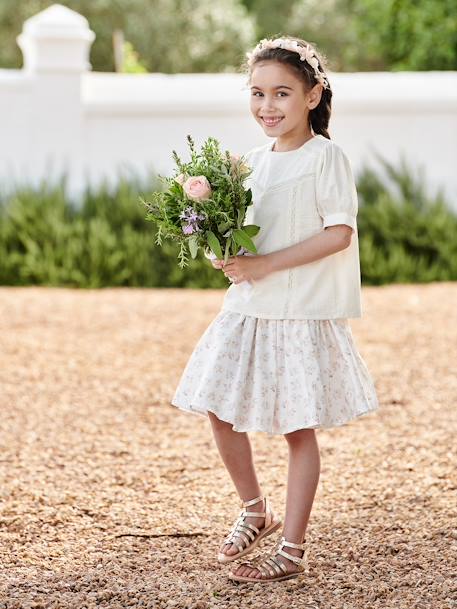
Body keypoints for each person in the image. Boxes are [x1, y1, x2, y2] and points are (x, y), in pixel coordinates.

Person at [170, 35, 379, 584]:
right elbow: (246, 232)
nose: (268, 106)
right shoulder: (248, 164)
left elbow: (339, 234)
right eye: (258, 93)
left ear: (312, 95)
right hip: (248, 309)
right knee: (218, 406)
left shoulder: (326, 157)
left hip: (298, 312)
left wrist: (267, 265)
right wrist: (228, 254)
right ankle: (254, 509)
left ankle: (291, 546)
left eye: (282, 93)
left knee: (296, 429)